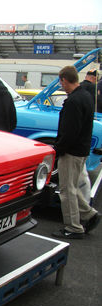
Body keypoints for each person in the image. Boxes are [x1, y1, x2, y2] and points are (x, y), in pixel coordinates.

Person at [52, 65, 100, 239]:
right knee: (73, 187)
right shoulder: (86, 96)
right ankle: (89, 214)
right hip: (81, 150)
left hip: (70, 152)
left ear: (64, 80)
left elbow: (69, 132)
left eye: (61, 81)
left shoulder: (72, 101)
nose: (61, 85)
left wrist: (57, 150)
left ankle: (73, 227)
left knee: (66, 190)